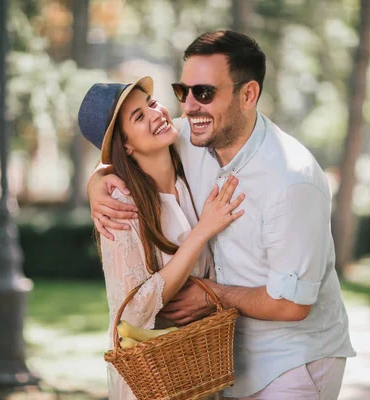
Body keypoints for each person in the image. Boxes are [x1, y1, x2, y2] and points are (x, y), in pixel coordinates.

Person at [88, 30, 356, 399]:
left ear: (248, 95)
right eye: (184, 91)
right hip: (221, 367)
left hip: (292, 363)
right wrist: (99, 181)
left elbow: (293, 305)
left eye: (205, 93)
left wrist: (210, 294)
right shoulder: (197, 137)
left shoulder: (291, 182)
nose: (188, 107)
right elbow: (127, 148)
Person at [77, 76, 245, 400]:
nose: (156, 114)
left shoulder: (189, 173)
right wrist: (201, 232)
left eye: (151, 103)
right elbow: (132, 314)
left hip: (200, 371)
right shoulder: (122, 207)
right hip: (152, 384)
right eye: (139, 116)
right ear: (125, 145)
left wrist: (96, 177)